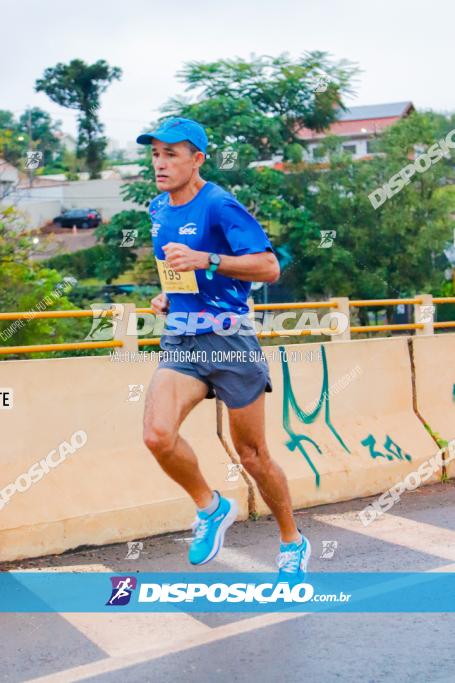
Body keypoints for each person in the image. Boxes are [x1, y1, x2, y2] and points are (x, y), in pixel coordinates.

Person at [138, 117, 311, 580]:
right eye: (155, 153)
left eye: (171, 154)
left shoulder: (219, 204)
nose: (160, 163)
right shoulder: (157, 208)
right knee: (157, 434)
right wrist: (169, 297)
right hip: (182, 338)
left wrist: (208, 259)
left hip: (231, 340)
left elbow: (269, 267)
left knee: (252, 454)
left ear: (197, 159)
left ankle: (292, 539)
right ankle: (211, 507)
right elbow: (177, 270)